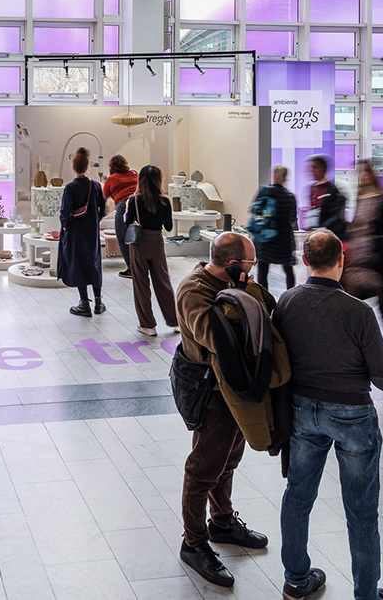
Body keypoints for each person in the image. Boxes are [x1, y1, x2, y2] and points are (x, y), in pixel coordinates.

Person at [273, 229, 383, 600]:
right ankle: (366, 594)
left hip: (302, 412)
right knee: (361, 509)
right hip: (353, 416)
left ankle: (296, 579)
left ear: (304, 260)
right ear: (342, 261)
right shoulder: (358, 312)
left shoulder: (287, 302)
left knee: (298, 495)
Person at [175, 232, 273, 588]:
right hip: (211, 391)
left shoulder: (234, 284)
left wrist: (244, 293)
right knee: (203, 467)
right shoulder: (193, 290)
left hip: (233, 389)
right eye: (250, 264)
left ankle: (222, 523)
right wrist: (243, 296)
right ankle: (194, 543)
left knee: (228, 460)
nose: (252, 271)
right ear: (233, 264)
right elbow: (219, 340)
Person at [124, 165, 178, 336]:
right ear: (158, 181)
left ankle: (148, 326)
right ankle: (175, 322)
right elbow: (168, 227)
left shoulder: (134, 200)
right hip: (156, 242)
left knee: (141, 285)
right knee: (163, 282)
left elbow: (127, 223)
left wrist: (127, 212)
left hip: (139, 243)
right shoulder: (165, 201)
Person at [58, 147, 106, 317]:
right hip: (92, 232)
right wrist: (95, 220)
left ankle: (84, 303)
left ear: (74, 167)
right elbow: (103, 208)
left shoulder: (70, 188)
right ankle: (99, 303)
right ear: (87, 167)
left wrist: (65, 227)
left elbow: (65, 213)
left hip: (76, 233)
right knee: (94, 263)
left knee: (79, 265)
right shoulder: (96, 186)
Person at [249, 165, 299, 292]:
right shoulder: (290, 197)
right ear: (285, 178)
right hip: (285, 239)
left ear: (274, 176)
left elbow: (254, 211)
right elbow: (293, 218)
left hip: (266, 238)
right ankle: (290, 296)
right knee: (288, 270)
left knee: (263, 270)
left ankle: (265, 299)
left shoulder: (264, 191)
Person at [342, 161, 383, 303]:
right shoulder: (361, 195)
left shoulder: (379, 198)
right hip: (358, 249)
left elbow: (378, 224)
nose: (363, 176)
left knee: (377, 291)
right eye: (360, 172)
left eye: (366, 172)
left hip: (371, 251)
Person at [103, 155, 139, 279]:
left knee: (123, 238)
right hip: (140, 204)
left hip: (124, 206)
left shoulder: (111, 179)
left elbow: (103, 198)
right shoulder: (134, 174)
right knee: (140, 235)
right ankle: (142, 266)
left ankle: (131, 269)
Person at [306, 155, 346, 239]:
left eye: (314, 168)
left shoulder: (332, 190)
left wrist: (321, 228)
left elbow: (335, 215)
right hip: (316, 233)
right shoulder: (312, 188)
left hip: (329, 235)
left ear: (323, 169)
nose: (311, 171)